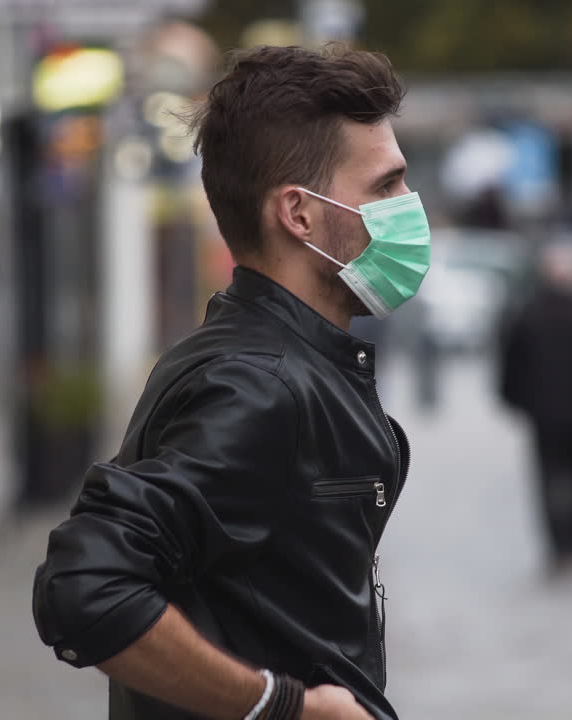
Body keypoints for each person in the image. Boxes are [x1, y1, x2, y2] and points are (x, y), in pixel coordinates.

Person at [33, 45, 430, 720]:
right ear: (298, 214)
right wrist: (279, 706)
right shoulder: (256, 385)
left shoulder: (274, 360)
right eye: (385, 187)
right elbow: (86, 585)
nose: (409, 207)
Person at [499, 244, 572, 573]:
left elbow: (511, 367)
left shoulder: (529, 314)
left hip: (544, 415)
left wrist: (517, 401)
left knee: (550, 477)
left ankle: (559, 545)